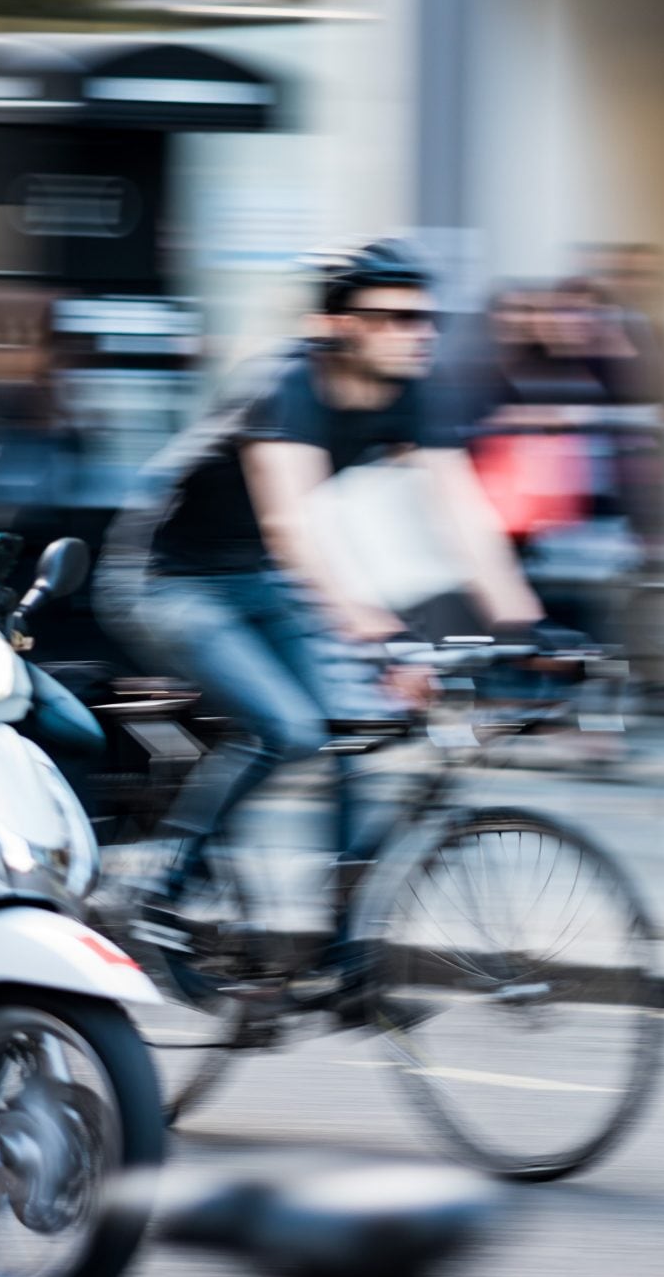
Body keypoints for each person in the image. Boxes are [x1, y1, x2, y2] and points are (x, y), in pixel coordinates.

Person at [100, 239, 552, 992]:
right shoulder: (287, 386)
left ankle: (343, 947)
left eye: (426, 319)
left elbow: (463, 513)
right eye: (395, 318)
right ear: (340, 325)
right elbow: (295, 526)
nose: (418, 333)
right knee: (291, 729)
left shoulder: (411, 389)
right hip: (166, 580)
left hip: (260, 579)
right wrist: (370, 627)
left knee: (359, 729)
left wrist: (524, 624)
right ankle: (164, 885)